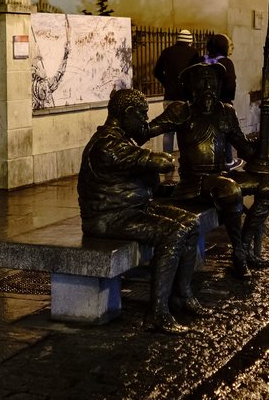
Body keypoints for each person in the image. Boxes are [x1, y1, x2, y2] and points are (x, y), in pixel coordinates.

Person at [78, 88, 209, 332]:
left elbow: (146, 178)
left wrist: (160, 190)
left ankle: (182, 294)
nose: (145, 122)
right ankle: (157, 312)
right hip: (108, 218)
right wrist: (153, 156)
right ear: (127, 113)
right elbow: (162, 162)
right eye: (142, 115)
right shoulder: (107, 145)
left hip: (132, 210)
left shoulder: (122, 141)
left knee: (190, 223)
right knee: (172, 232)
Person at [152, 62, 269, 278]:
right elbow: (147, 130)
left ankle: (245, 247)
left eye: (212, 80)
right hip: (196, 183)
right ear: (192, 85)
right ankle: (239, 255)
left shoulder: (226, 112)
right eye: (202, 80)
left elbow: (248, 152)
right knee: (230, 190)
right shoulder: (181, 111)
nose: (208, 85)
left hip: (222, 177)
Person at [151, 28, 201, 160]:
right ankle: (186, 158)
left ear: (177, 40)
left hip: (170, 97)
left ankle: (167, 158)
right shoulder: (194, 54)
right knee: (185, 130)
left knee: (169, 130)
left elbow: (156, 71)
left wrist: (167, 83)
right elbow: (197, 74)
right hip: (187, 98)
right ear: (190, 42)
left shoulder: (167, 52)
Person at [203, 32, 236, 104]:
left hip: (201, 104)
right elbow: (230, 86)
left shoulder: (201, 60)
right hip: (220, 104)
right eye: (229, 45)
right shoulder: (227, 63)